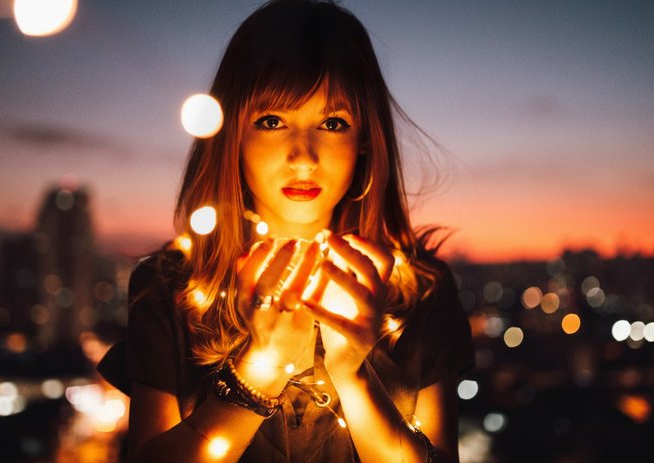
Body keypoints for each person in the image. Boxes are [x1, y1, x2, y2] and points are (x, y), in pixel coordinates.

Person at [97, 1, 473, 462]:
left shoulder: (421, 294)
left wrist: (352, 374)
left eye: (333, 123)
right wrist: (260, 369)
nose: (303, 157)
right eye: (271, 121)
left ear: (366, 143)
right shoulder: (170, 288)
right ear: (232, 134)